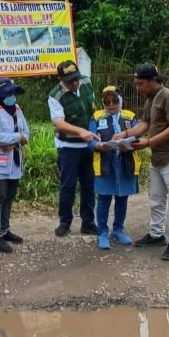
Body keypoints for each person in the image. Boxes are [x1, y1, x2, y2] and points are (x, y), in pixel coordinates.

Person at [119, 63, 169, 261]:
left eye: (140, 84)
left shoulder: (168, 96)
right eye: (136, 84)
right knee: (156, 199)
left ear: (153, 80)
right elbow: (145, 124)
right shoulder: (151, 98)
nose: (138, 88)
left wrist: (148, 142)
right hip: (158, 158)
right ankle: (156, 234)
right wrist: (123, 135)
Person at [47, 60, 99, 237]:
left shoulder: (86, 83)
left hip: (89, 145)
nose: (75, 83)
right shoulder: (55, 97)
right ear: (60, 80)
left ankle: (88, 222)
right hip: (68, 147)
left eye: (76, 79)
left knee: (89, 185)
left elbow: (94, 111)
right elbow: (59, 124)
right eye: (70, 81)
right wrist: (80, 131)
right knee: (68, 186)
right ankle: (65, 222)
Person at [0, 78, 30, 254]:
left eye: (13, 93)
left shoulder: (17, 109)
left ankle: (4, 229)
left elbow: (27, 132)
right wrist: (17, 138)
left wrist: (17, 138)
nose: (12, 96)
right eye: (8, 93)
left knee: (9, 197)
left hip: (14, 162)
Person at [89, 86, 140, 250]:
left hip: (125, 163)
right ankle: (102, 233)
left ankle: (118, 230)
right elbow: (90, 141)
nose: (111, 105)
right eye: (107, 102)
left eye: (114, 101)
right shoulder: (96, 117)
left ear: (120, 100)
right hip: (105, 163)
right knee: (103, 199)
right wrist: (98, 145)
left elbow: (138, 137)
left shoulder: (130, 117)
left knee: (122, 197)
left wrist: (130, 145)